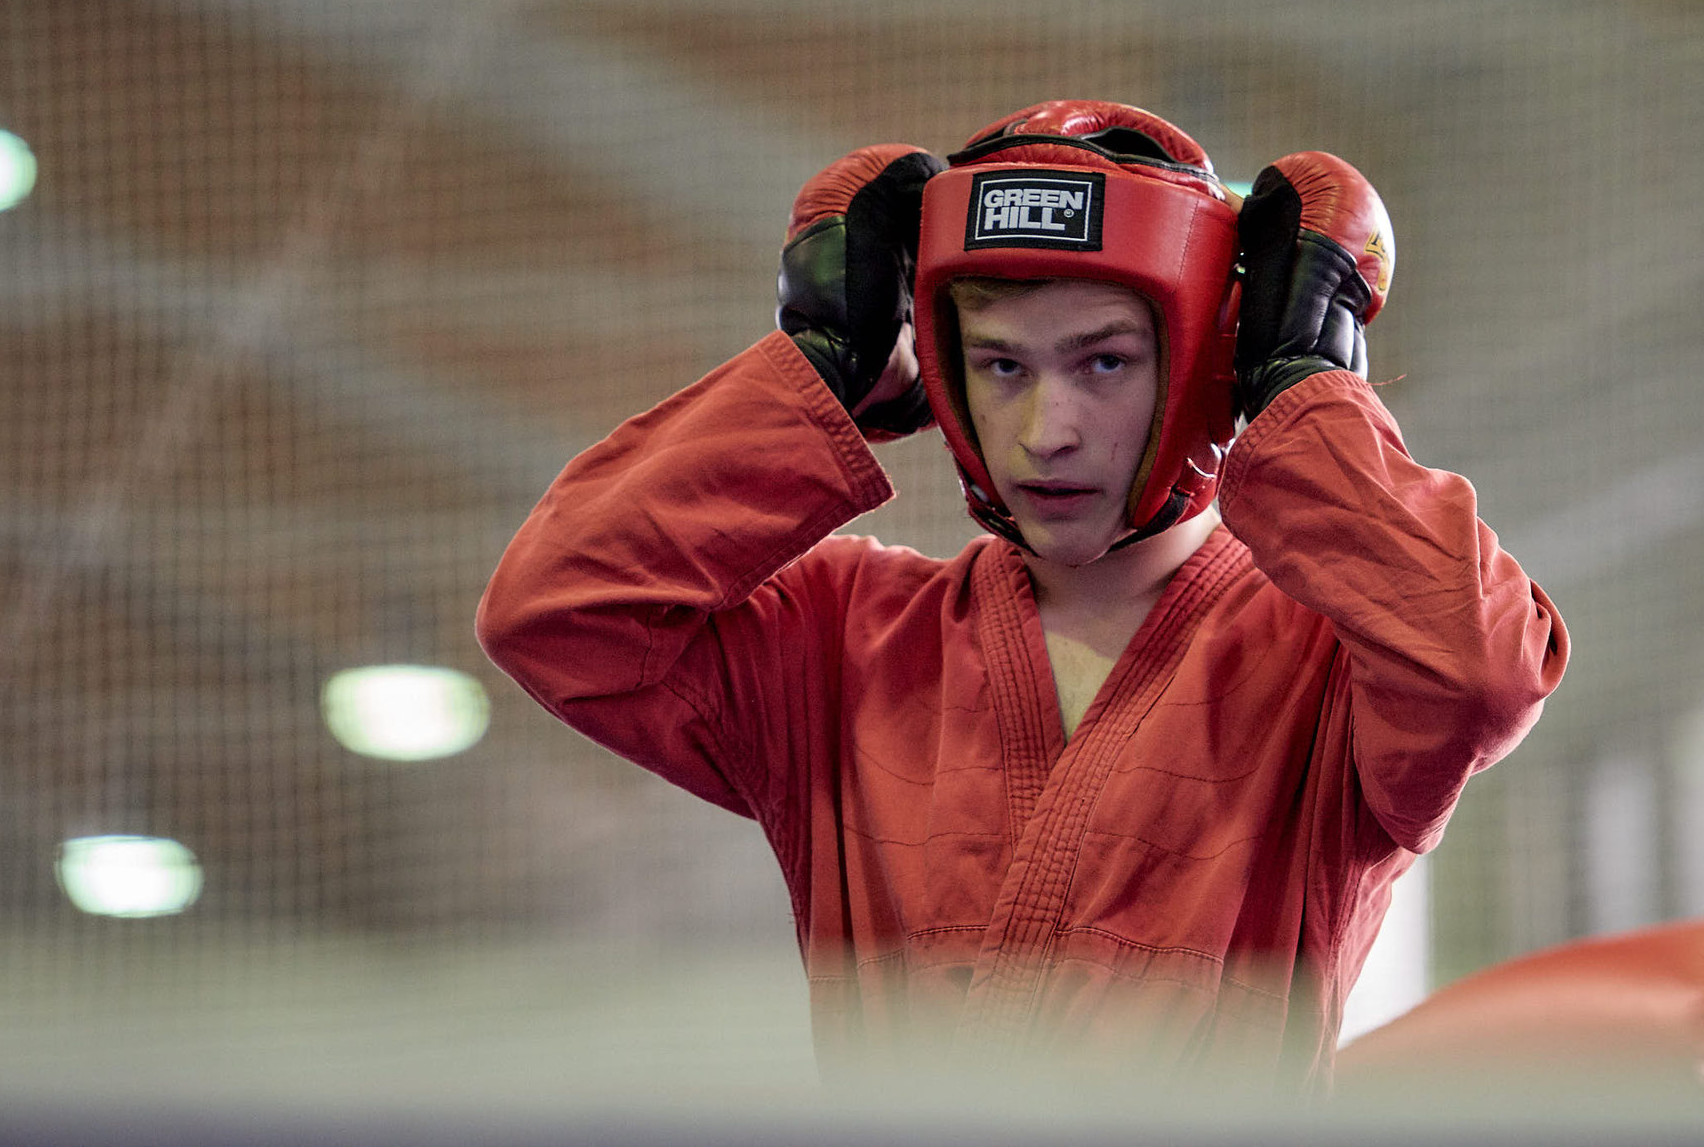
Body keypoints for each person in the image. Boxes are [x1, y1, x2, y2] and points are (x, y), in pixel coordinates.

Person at [476, 100, 1568, 1099]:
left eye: (1103, 363)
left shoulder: (1331, 662)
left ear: (1207, 361)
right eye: (1001, 366)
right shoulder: (841, 637)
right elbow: (554, 614)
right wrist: (817, 373)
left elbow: (1481, 674)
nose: (1046, 433)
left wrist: (1300, 391)